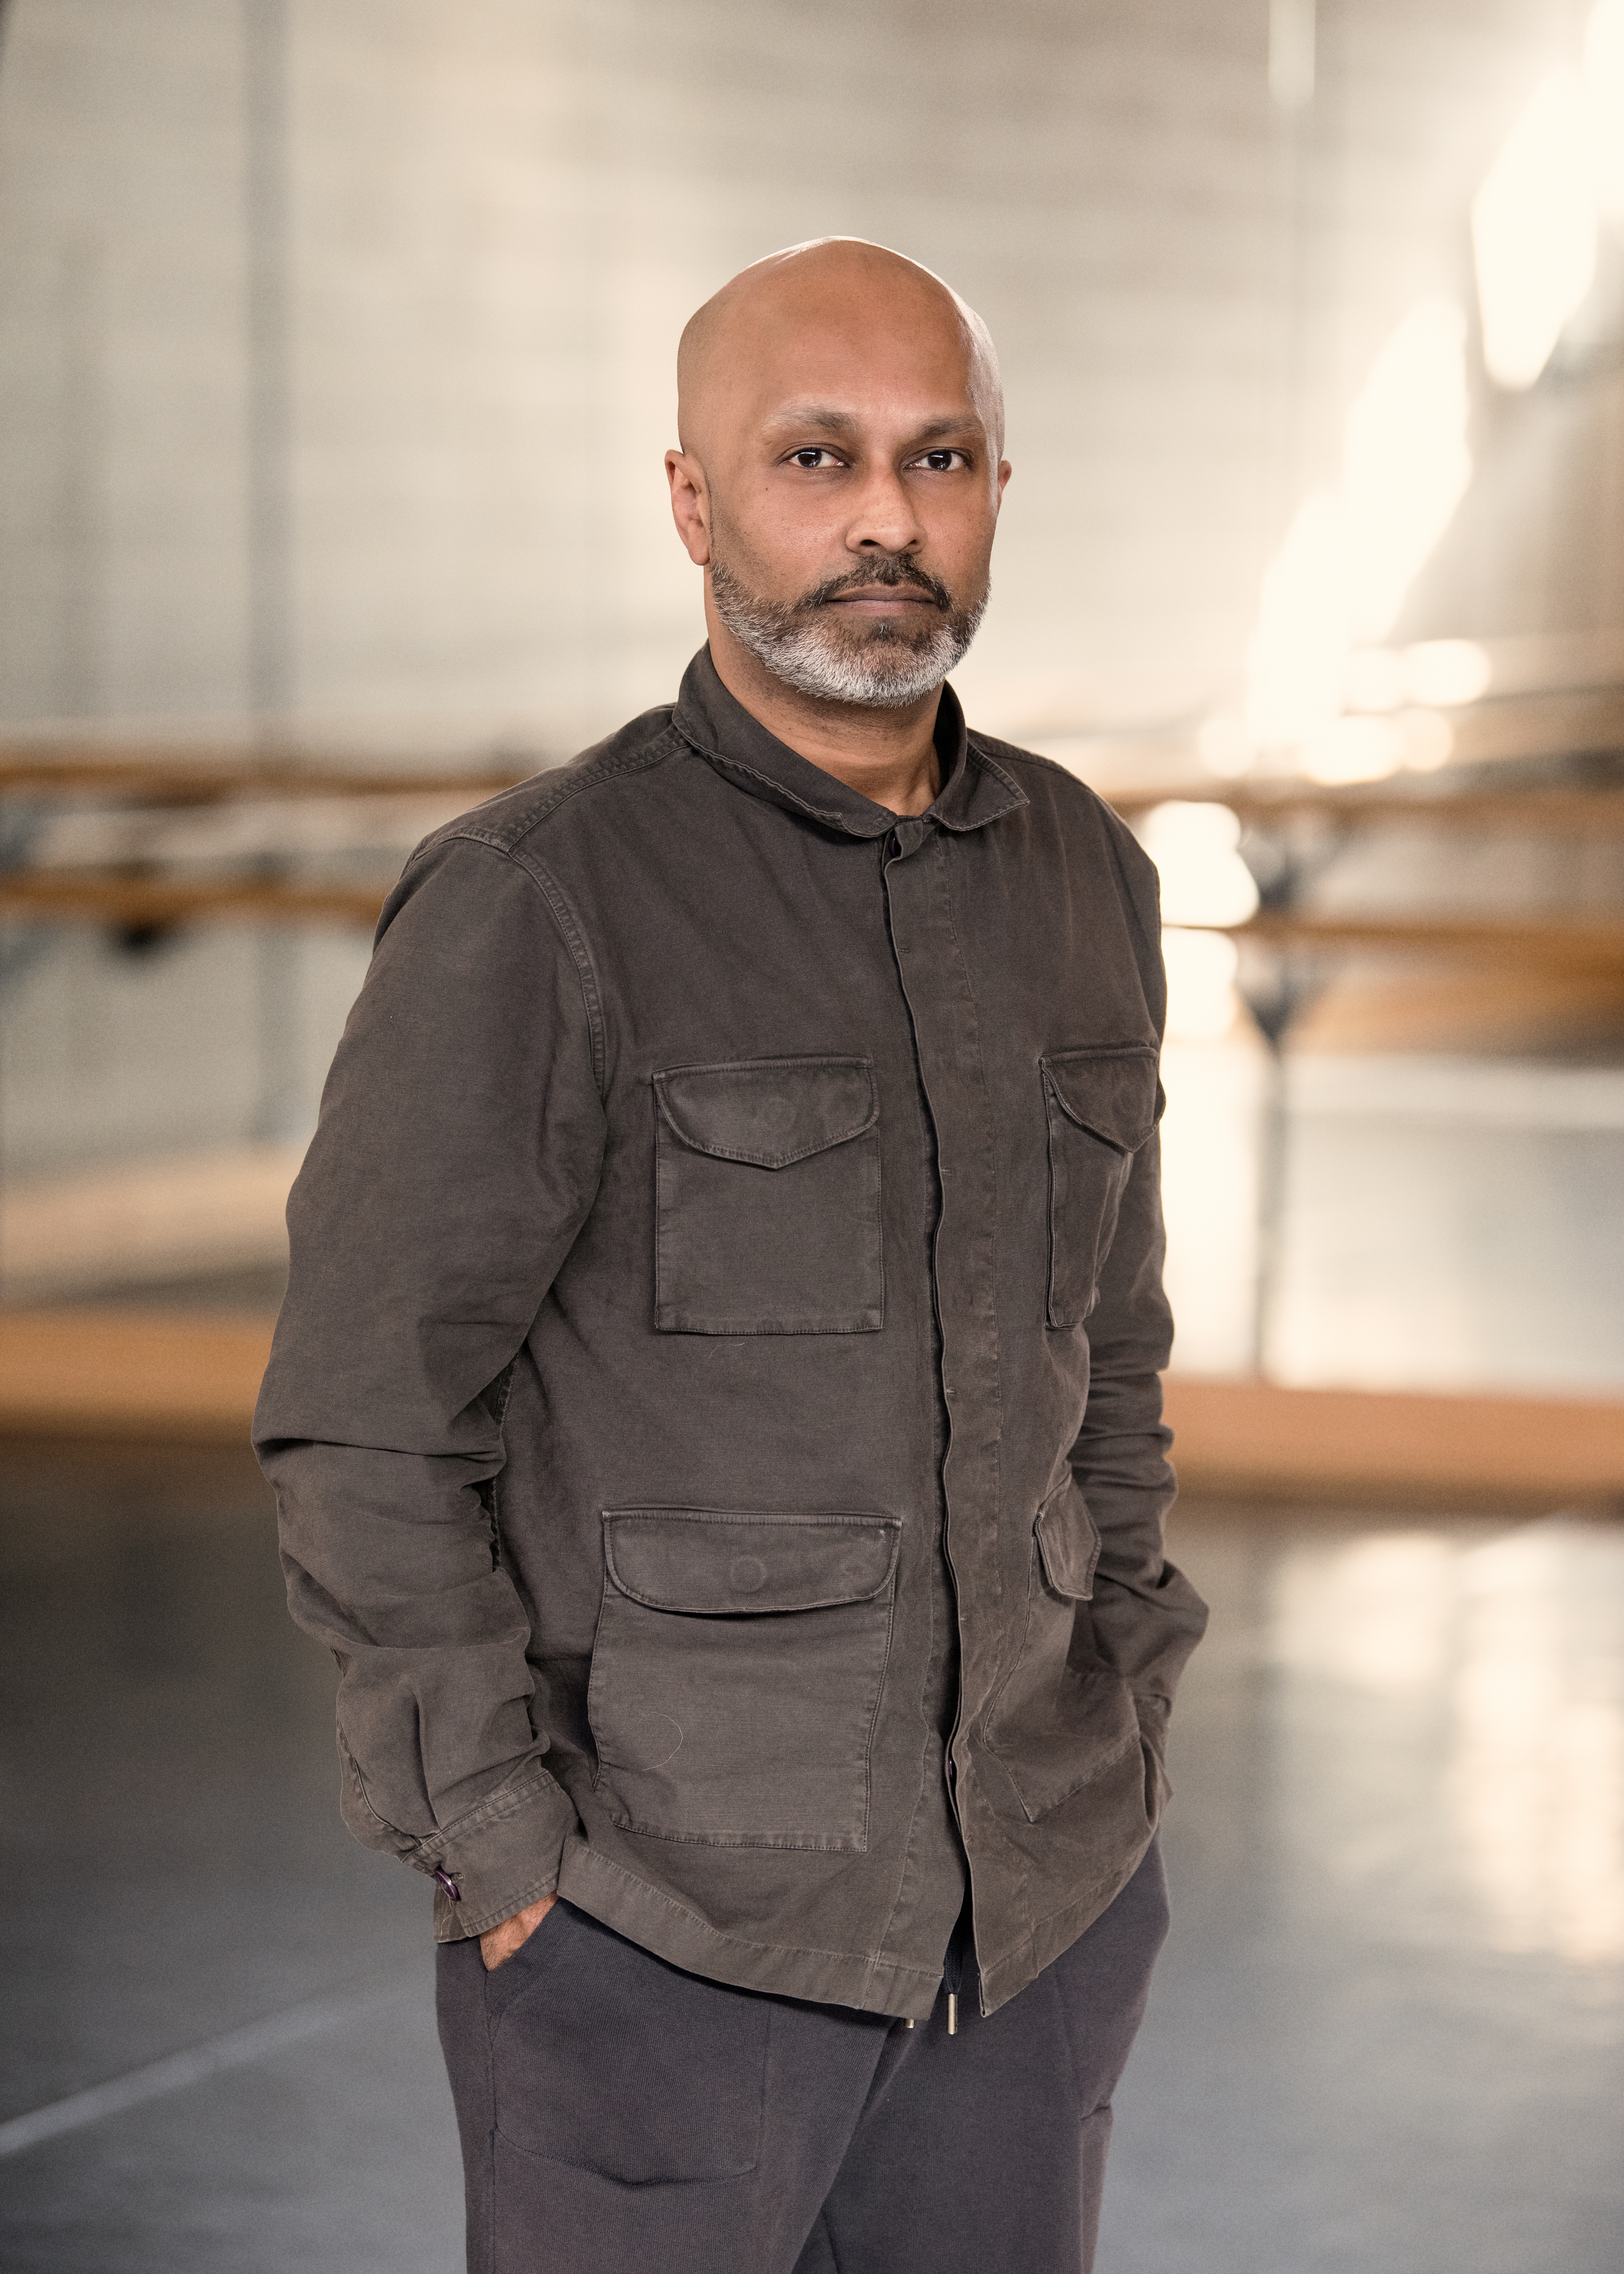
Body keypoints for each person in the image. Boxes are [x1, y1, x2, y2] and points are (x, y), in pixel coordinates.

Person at [254, 235, 1208, 2274]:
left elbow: (1107, 1362)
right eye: (814, 457)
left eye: (938, 457)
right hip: (650, 1936)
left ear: (996, 493)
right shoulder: (535, 901)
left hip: (1024, 1923)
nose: (885, 516)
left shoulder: (1083, 878)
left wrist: (1120, 1705)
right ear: (693, 503)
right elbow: (363, 1416)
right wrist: (501, 1852)